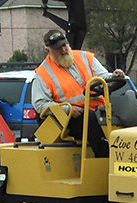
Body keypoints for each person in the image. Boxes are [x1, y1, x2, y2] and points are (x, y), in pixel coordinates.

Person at [32, 29, 126, 157]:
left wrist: (114, 76)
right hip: (69, 119)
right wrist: (67, 109)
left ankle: (130, 153)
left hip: (98, 109)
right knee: (90, 119)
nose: (63, 49)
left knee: (125, 110)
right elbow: (39, 104)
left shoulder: (84, 57)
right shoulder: (43, 73)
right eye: (58, 48)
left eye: (64, 45)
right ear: (48, 50)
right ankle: (105, 158)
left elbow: (103, 76)